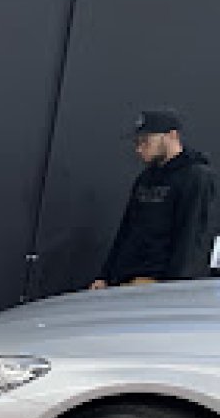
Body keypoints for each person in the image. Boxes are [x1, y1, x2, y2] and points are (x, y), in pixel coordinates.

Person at [91, 108, 218, 289]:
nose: (139, 148)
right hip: (128, 282)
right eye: (137, 142)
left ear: (172, 136)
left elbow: (194, 241)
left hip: (158, 289)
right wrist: (105, 276)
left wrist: (165, 286)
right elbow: (127, 230)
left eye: (146, 141)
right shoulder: (145, 178)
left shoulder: (198, 178)